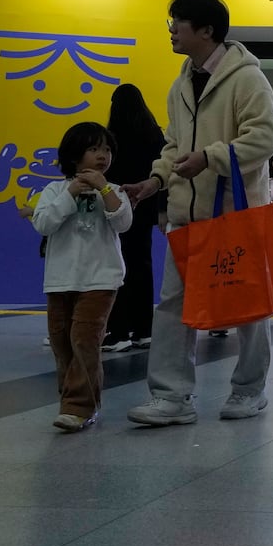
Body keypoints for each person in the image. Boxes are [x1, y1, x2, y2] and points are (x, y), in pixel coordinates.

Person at [122, 0, 273, 425]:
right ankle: (171, 397)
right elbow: (173, 146)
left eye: (178, 23)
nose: (172, 31)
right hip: (186, 213)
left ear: (206, 30)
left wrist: (210, 157)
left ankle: (249, 390)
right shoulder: (181, 83)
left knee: (248, 305)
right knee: (173, 305)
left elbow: (265, 139)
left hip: (234, 212)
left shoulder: (247, 79)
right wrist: (154, 182)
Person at [33, 122, 133, 431]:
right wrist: (71, 193)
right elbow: (43, 224)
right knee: (62, 343)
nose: (102, 155)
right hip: (61, 279)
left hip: (101, 280)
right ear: (75, 155)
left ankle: (80, 406)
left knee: (84, 340)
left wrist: (104, 189)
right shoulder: (54, 190)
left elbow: (123, 222)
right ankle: (71, 399)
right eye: (93, 149)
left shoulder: (113, 190)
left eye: (107, 150)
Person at [103, 84, 165, 351]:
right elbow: (166, 173)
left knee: (117, 266)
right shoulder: (154, 135)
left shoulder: (110, 137)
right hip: (146, 207)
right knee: (143, 265)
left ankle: (118, 331)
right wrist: (161, 209)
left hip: (117, 206)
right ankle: (144, 330)